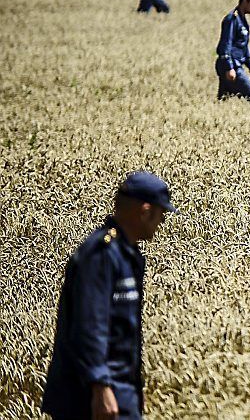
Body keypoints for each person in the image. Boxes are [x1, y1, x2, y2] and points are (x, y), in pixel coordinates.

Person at [41, 171, 177, 420]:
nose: (161, 223)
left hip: (120, 389)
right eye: (161, 215)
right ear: (145, 211)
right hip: (91, 397)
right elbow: (90, 325)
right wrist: (100, 386)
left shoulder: (125, 254)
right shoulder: (101, 255)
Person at [215, 0, 250, 101]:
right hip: (232, 66)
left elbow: (244, 46)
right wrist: (229, 67)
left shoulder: (242, 20)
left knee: (225, 99)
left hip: (236, 64)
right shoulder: (232, 19)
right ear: (245, 2)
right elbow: (226, 44)